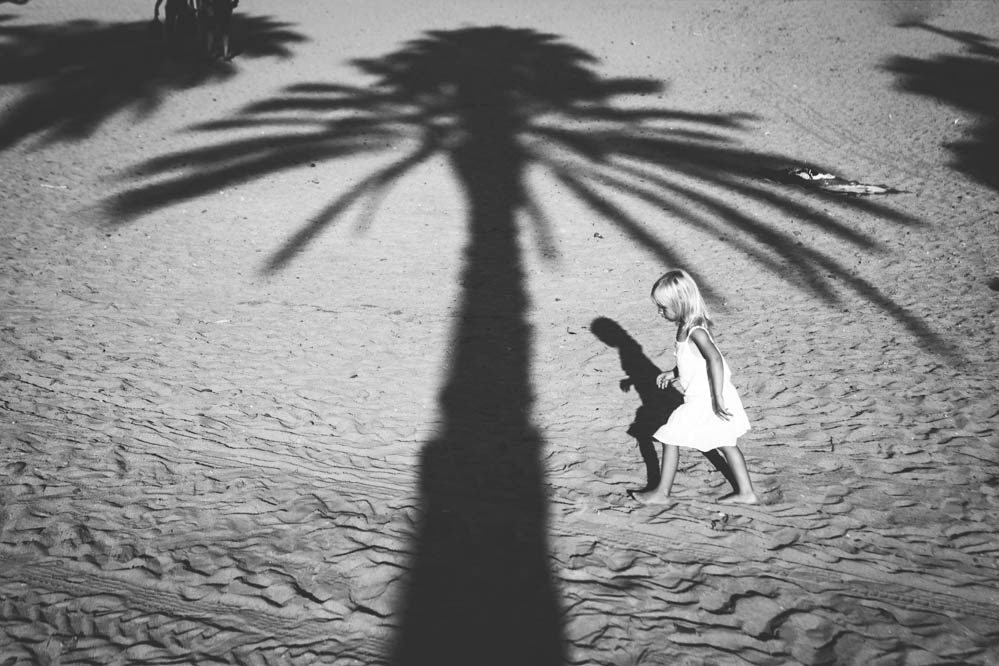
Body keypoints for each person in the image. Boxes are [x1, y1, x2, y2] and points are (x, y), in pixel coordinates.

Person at [632, 269, 759, 505]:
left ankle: (662, 493)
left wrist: (718, 397)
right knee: (725, 443)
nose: (660, 312)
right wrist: (674, 373)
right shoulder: (685, 326)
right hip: (701, 396)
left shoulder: (696, 330)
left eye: (663, 307)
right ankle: (746, 492)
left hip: (707, 398)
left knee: (672, 437)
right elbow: (693, 360)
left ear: (680, 303)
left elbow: (715, 360)